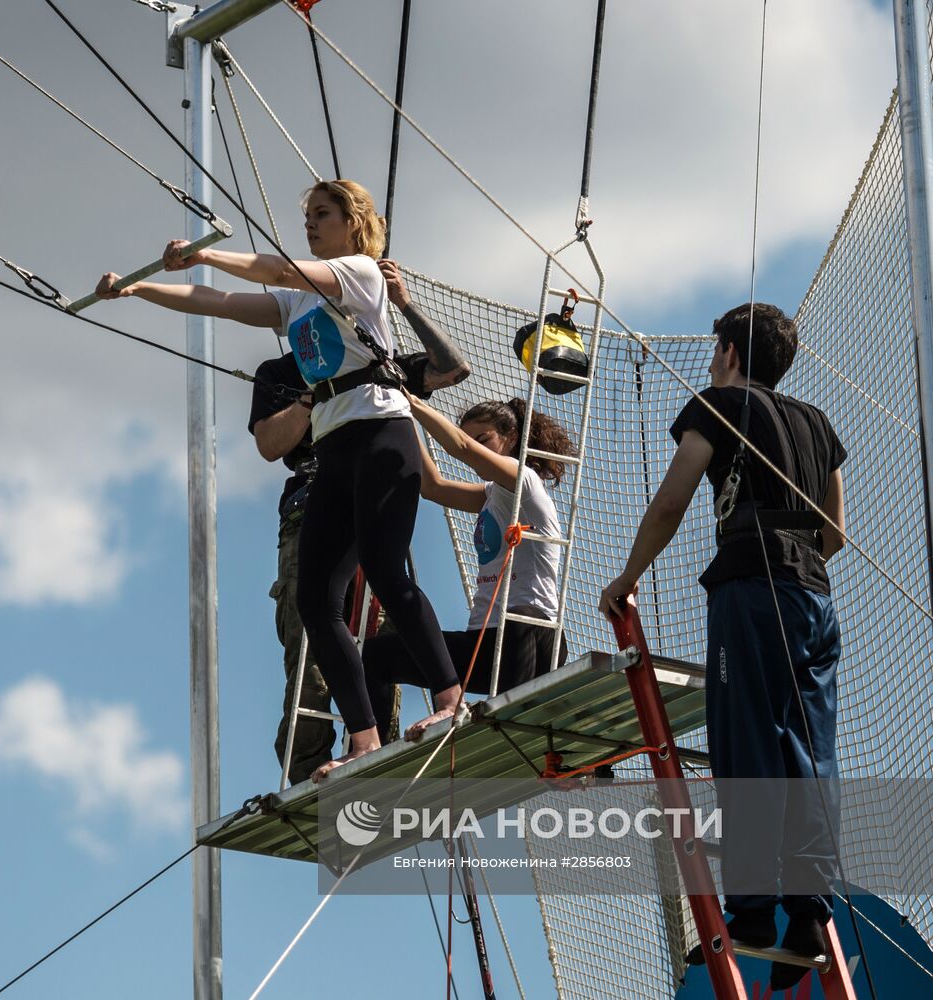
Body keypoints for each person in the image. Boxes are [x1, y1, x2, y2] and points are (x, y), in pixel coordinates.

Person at [97, 180, 469, 783]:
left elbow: (277, 268)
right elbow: (219, 305)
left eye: (322, 214)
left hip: (381, 434)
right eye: (308, 217)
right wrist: (141, 289)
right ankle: (364, 737)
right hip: (334, 446)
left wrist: (205, 251)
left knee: (386, 568)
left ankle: (450, 702)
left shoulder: (360, 273)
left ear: (353, 222)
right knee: (315, 600)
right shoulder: (297, 303)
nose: (311, 224)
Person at [597, 303, 846, 992]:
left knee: (746, 741)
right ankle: (806, 910)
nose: (710, 359)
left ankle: (753, 910)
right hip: (813, 599)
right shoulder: (817, 424)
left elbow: (673, 498)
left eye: (715, 348)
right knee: (808, 749)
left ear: (732, 352)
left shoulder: (718, 404)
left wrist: (627, 577)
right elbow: (835, 532)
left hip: (752, 592)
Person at [248, 259, 457, 783]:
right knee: (312, 624)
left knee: (381, 623)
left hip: (373, 485)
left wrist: (403, 302)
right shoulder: (279, 373)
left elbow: (450, 366)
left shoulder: (371, 351)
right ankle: (311, 765)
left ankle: (378, 741)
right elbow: (271, 446)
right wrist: (314, 394)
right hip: (313, 499)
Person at [363, 395, 573, 742]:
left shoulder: (525, 482)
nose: (476, 448)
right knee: (375, 656)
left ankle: (536, 742)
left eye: (484, 440)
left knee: (518, 733)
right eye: (473, 439)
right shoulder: (491, 495)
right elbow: (433, 488)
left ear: (511, 437)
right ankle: (375, 746)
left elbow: (459, 447)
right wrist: (400, 414)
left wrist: (411, 400)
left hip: (527, 635)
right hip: (487, 643)